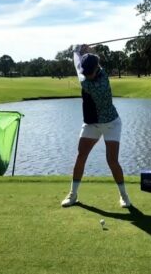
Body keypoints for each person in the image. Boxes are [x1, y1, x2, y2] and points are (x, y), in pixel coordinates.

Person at [61, 44, 131, 208]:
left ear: (96, 69)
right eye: (86, 73)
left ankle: (124, 196)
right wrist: (89, 50)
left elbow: (76, 63)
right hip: (92, 123)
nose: (87, 75)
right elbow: (87, 63)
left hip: (111, 124)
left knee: (112, 161)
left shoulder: (89, 84)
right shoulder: (100, 72)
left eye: (89, 73)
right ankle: (73, 194)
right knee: (81, 156)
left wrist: (76, 51)